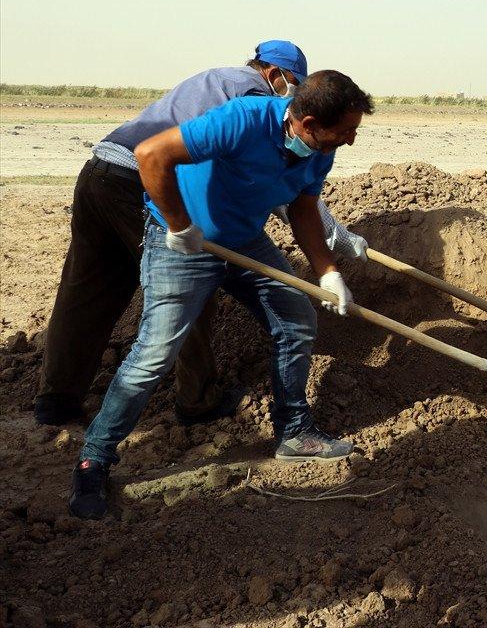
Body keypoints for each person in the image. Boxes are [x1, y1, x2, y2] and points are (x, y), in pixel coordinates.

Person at [69, 70, 374, 519]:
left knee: (297, 318)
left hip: (245, 241)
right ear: (307, 122)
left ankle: (294, 432)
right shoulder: (242, 120)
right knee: (155, 352)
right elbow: (151, 154)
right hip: (185, 244)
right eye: (343, 131)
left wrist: (327, 271)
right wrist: (178, 225)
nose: (349, 140)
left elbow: (304, 209)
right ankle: (94, 458)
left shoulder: (317, 151)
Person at [35, 41, 367, 428]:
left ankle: (56, 401)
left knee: (85, 289)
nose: (296, 96)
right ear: (276, 76)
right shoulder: (254, 98)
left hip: (100, 170)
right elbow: (264, 174)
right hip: (142, 181)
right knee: (190, 288)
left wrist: (327, 250)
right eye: (296, 85)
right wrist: (332, 233)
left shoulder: (217, 77)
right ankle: (197, 400)